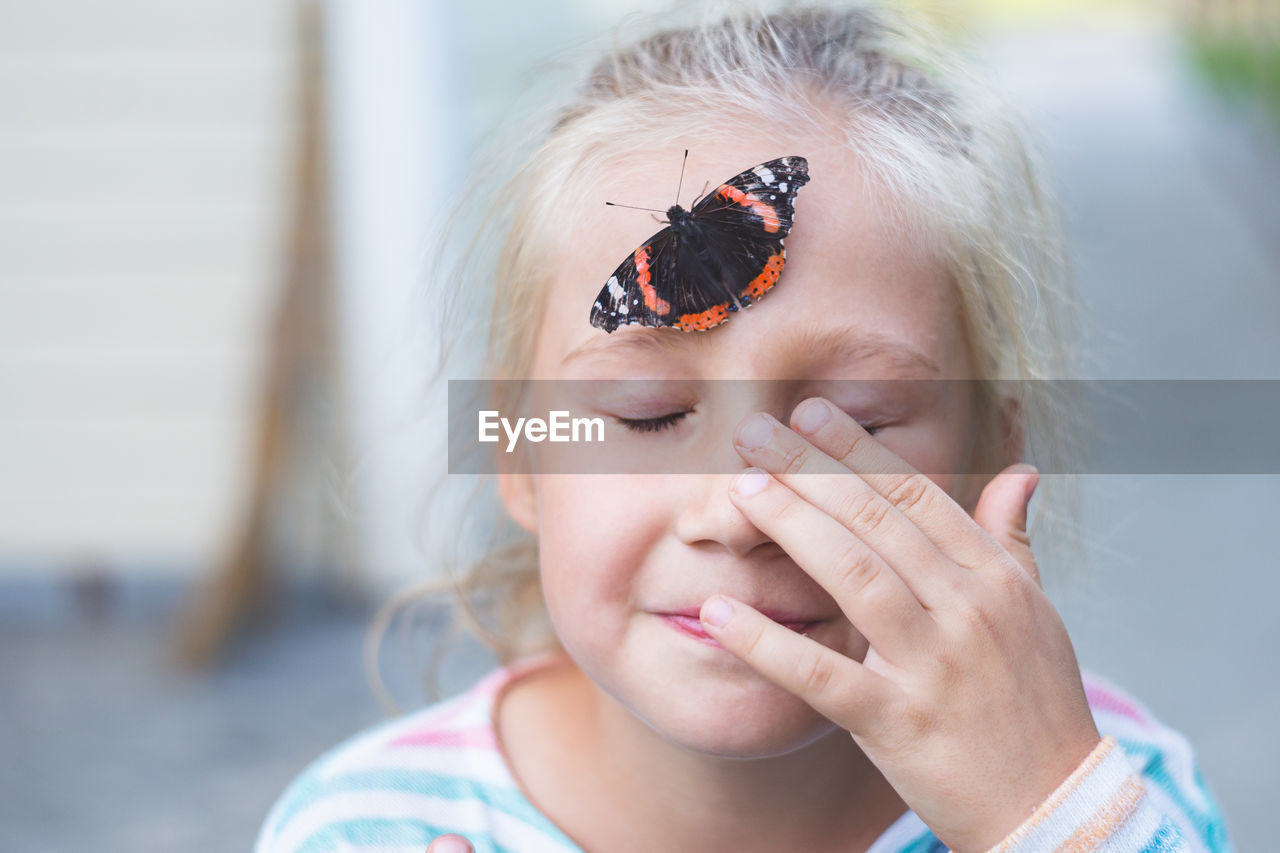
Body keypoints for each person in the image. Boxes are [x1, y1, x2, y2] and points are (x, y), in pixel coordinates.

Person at [255, 3, 1234, 851]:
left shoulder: (1097, 789)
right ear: (519, 457)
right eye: (649, 415)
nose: (739, 511)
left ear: (985, 464)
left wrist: (1046, 816)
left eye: (845, 424)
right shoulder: (367, 824)